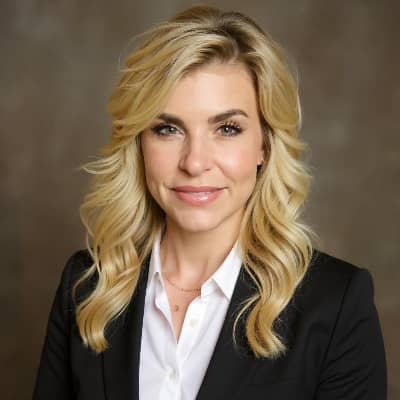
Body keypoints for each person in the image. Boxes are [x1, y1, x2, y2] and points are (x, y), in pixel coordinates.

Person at [32, 4, 387, 400]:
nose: (195, 162)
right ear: (139, 142)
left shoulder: (336, 305)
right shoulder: (87, 285)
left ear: (265, 145)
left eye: (227, 129)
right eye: (168, 129)